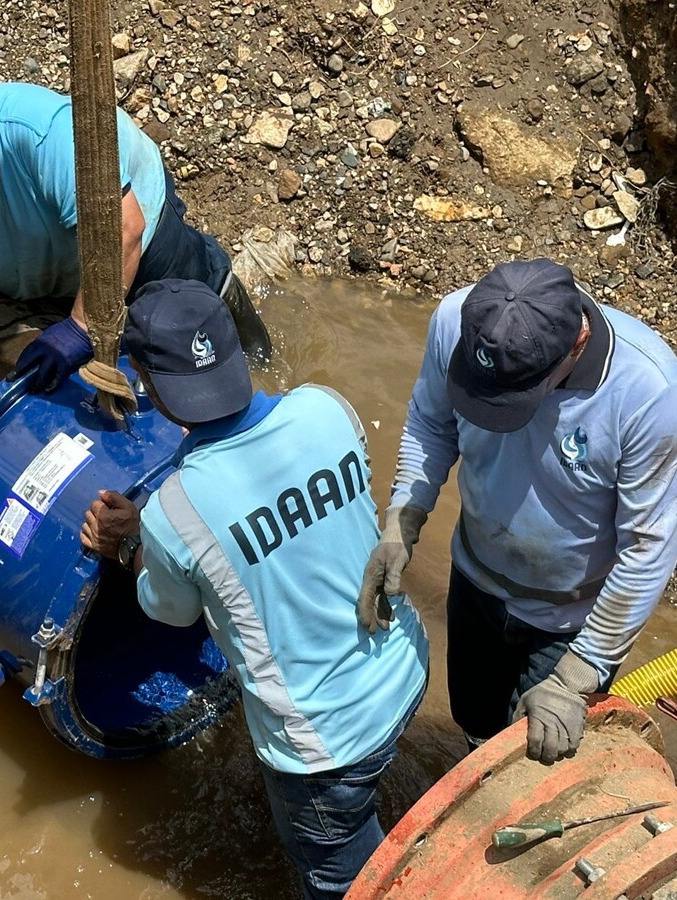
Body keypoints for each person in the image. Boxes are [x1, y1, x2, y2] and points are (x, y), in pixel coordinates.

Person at [80, 279, 428, 900]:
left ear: (149, 386)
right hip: (404, 670)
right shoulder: (326, 406)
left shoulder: (175, 508)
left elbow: (169, 611)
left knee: (340, 880)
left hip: (325, 748)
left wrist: (133, 545)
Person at [0, 74, 270, 467]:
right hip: (39, 259)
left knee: (193, 333)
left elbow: (123, 230)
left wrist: (80, 326)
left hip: (133, 228)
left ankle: (259, 370)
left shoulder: (47, 136)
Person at [360, 258, 677, 764]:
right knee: (472, 722)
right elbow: (431, 424)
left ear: (575, 345)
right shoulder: (459, 321)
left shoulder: (648, 394)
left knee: (537, 755)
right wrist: (401, 522)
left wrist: (578, 675)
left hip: (569, 621)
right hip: (475, 581)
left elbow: (648, 548)